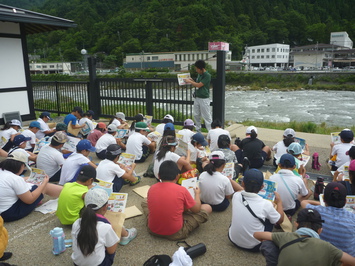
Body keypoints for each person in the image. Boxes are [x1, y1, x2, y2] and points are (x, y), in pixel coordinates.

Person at [254, 208, 355, 266]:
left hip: (286, 242)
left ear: (296, 224)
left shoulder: (285, 236)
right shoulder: (328, 247)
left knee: (267, 242)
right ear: (320, 230)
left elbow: (257, 234)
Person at [142, 161, 212, 240]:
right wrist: (197, 194)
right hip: (176, 233)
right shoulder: (182, 190)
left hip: (153, 230)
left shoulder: (152, 188)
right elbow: (196, 209)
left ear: (159, 176)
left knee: (145, 201)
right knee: (207, 207)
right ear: (177, 176)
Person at [71, 188, 137, 266]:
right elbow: (111, 251)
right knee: (110, 244)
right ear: (105, 207)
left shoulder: (76, 223)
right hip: (100, 264)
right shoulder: (105, 227)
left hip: (77, 264)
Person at [228, 169, 284, 251]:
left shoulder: (236, 195)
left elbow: (240, 191)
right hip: (254, 246)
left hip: (232, 239)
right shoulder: (266, 204)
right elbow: (280, 220)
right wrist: (279, 202)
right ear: (262, 187)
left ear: (243, 183)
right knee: (270, 220)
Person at [0, 150, 62, 222]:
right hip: (9, 213)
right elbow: (29, 200)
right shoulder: (15, 179)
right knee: (44, 187)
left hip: (2, 210)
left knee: (35, 185)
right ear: (22, 165)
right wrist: (43, 183)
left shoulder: (3, 172)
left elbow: (9, 182)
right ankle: (68, 192)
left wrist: (29, 179)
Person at [301, 182, 355, 257]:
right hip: (347, 260)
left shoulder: (317, 211)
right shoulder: (352, 217)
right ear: (345, 201)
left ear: (323, 199)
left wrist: (320, 204)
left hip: (321, 257)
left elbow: (304, 202)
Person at [184, 60, 212, 132]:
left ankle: (210, 131)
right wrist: (192, 80)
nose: (196, 70)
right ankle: (198, 130)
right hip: (197, 97)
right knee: (196, 115)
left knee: (206, 116)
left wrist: (190, 81)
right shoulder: (199, 74)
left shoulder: (207, 75)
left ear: (201, 69)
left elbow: (199, 85)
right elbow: (197, 83)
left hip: (204, 98)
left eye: (197, 69)